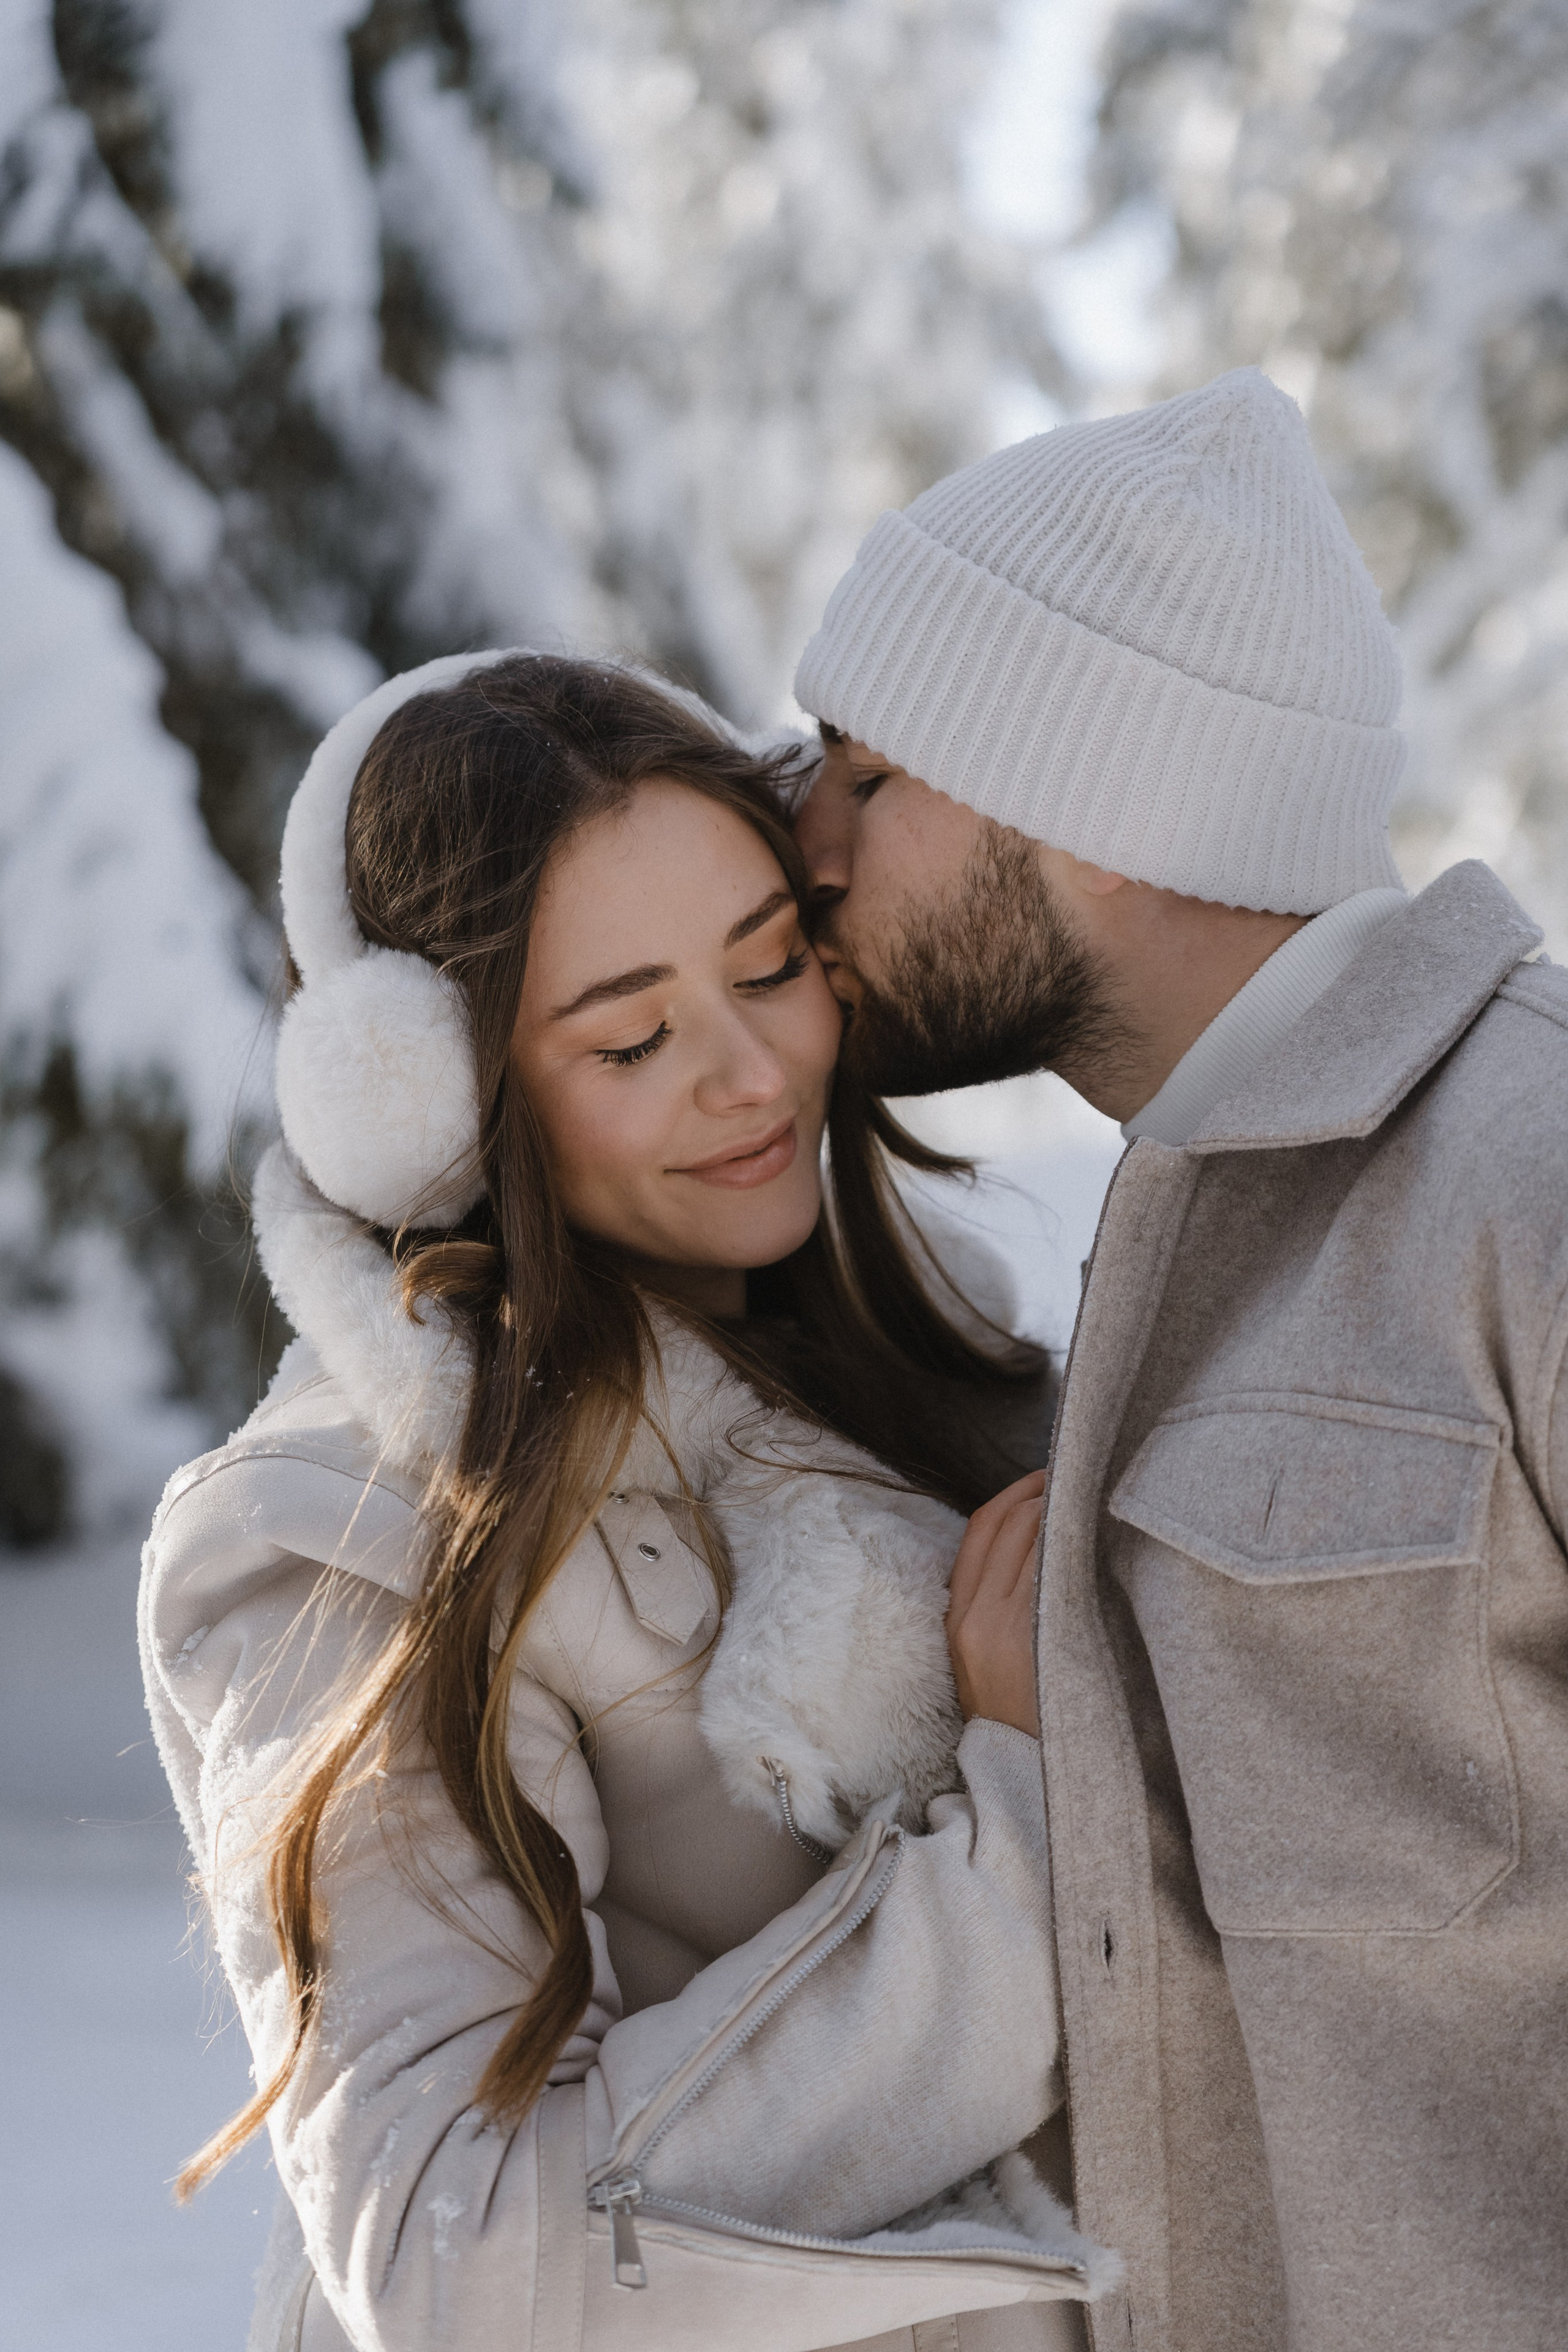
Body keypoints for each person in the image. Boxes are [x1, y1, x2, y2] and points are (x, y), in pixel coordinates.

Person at [140, 653, 1122, 2352]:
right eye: (636, 1036)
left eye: (772, 967)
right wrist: (1016, 1847)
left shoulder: (956, 1370)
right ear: (433, 1103)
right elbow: (462, 2258)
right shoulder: (342, 1532)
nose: (750, 1075)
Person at [790, 366, 1568, 2352]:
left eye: (871, 778)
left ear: (1110, 811)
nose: (802, 844)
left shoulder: (1532, 1177)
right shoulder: (1176, 1230)